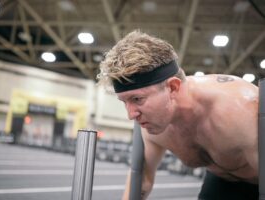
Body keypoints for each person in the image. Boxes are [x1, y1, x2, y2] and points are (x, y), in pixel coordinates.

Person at [97, 30, 259, 200]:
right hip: (222, 183)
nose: (131, 115)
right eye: (124, 102)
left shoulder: (238, 111)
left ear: (173, 87)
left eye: (137, 99)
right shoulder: (154, 126)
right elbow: (142, 181)